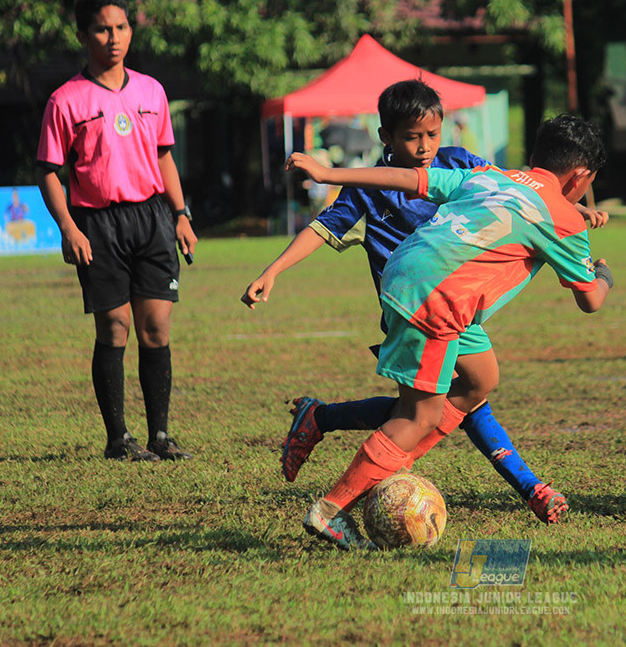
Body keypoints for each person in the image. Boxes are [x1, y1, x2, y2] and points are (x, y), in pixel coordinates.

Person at [242, 82, 604, 524]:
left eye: (431, 134)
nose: (424, 146)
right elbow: (322, 229)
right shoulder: (370, 190)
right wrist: (273, 269)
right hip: (425, 301)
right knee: (427, 412)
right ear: (386, 137)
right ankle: (346, 501)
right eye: (412, 137)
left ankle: (327, 421)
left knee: (475, 382)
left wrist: (571, 210)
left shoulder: (463, 164)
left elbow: (516, 196)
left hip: (454, 299)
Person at [35, 0, 197, 462]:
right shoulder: (65, 100)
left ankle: (161, 436)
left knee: (157, 327)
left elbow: (164, 155)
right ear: (83, 35)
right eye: (103, 29)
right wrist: (68, 226)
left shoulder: (152, 90)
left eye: (122, 27)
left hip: (152, 217)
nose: (114, 38)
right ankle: (117, 439)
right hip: (97, 223)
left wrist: (181, 214)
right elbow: (48, 169)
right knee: (115, 326)